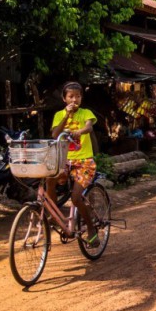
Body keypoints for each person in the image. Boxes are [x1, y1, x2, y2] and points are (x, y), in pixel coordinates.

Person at [50, 81, 99, 247]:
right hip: (65, 160)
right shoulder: (59, 115)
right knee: (49, 178)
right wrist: (66, 116)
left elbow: (89, 127)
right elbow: (55, 134)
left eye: (78, 96)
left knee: (76, 197)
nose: (74, 99)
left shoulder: (86, 113)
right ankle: (53, 213)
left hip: (84, 161)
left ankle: (91, 229)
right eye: (71, 96)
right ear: (64, 98)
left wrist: (79, 132)